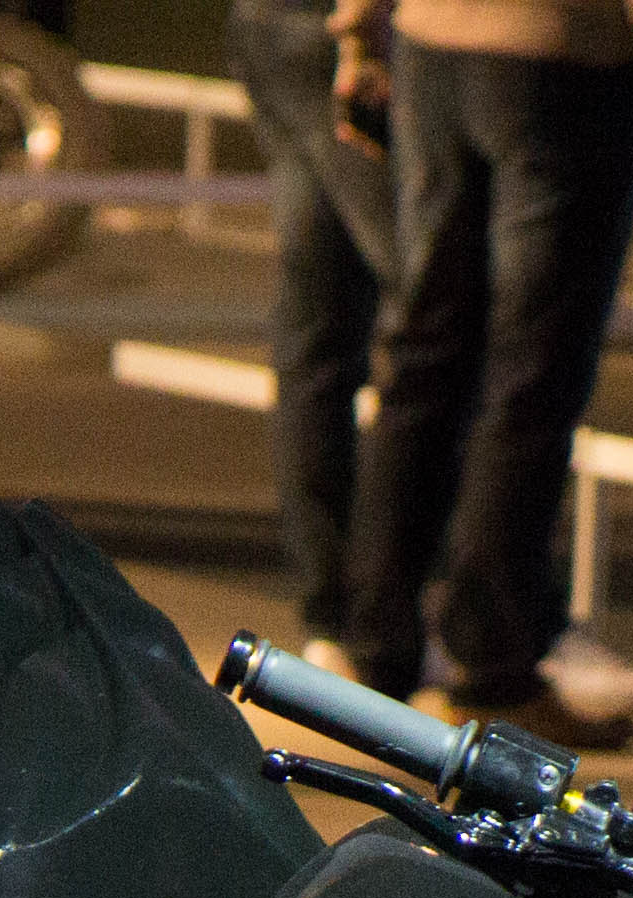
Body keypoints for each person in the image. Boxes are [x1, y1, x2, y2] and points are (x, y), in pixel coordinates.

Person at [325, 0, 633, 750]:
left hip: (432, 45)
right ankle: (490, 667)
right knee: (531, 375)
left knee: (423, 356)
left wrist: (359, 31)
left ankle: (375, 650)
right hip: (563, 56)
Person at [235, 0, 409, 671]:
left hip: (273, 23)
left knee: (319, 330)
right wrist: (362, 29)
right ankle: (478, 626)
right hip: (354, 31)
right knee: (439, 321)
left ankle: (337, 617)